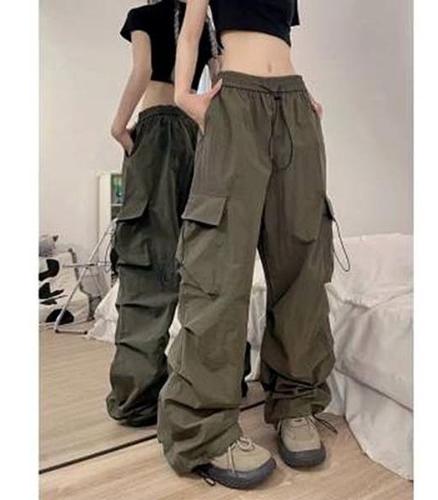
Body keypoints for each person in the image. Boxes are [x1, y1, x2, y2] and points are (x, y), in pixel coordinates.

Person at [158, 0, 337, 489]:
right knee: (219, 268)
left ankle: (296, 403)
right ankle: (204, 431)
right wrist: (183, 94)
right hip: (234, 99)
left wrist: (302, 97)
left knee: (302, 264)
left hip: (294, 103)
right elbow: (191, 32)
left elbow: (279, 40)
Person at [106, 0, 219, 427]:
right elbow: (221, 82)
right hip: (197, 136)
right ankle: (216, 382)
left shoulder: (142, 16)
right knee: (203, 260)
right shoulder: (204, 23)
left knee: (147, 261)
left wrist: (118, 127)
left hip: (154, 130)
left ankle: (138, 397)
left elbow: (142, 71)